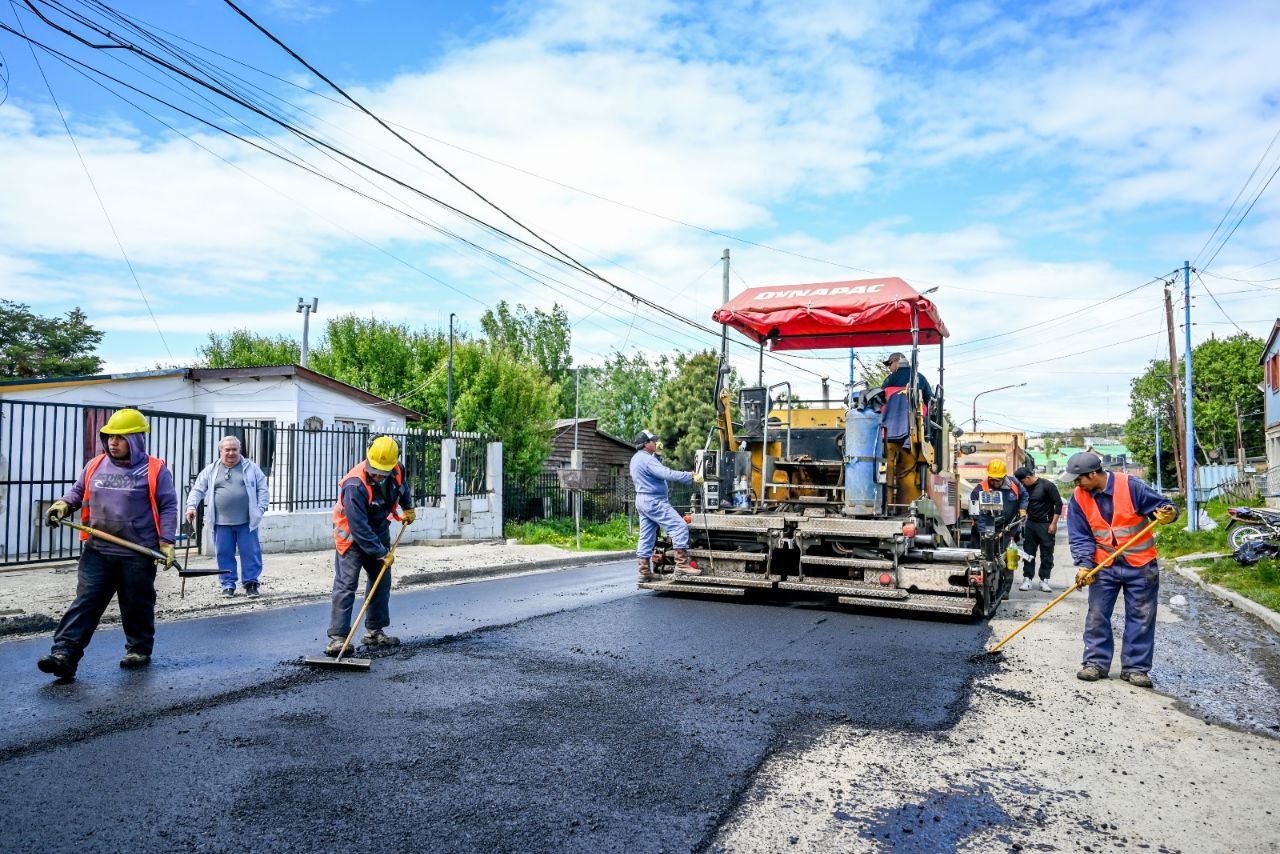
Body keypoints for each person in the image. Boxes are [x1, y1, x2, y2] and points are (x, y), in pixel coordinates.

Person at [38, 409, 178, 681]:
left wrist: (168, 542)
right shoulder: (95, 465)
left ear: (136, 439)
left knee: (136, 602)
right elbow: (78, 492)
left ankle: (138, 649)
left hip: (137, 552)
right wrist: (63, 504)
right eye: (109, 436)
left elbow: (169, 506)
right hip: (98, 550)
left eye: (120, 437)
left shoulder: (155, 470)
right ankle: (64, 655)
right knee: (86, 602)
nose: (113, 442)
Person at [1061, 452, 1178, 688]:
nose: (1076, 483)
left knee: (1141, 616)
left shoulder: (1131, 486)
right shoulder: (1078, 497)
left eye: (1079, 478)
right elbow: (1080, 535)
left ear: (1093, 474)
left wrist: (1169, 514)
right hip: (1104, 565)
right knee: (1097, 615)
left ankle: (1136, 669)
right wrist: (1085, 564)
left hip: (1140, 564)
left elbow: (1166, 507)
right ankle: (1095, 663)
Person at [324, 436, 415, 657]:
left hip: (379, 528)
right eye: (375, 471)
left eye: (382, 472)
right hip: (352, 537)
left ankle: (374, 632)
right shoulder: (354, 484)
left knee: (381, 581)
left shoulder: (396, 469)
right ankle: (338, 639)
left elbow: (401, 488)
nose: (378, 475)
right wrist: (381, 553)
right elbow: (359, 528)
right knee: (346, 584)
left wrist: (408, 507)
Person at [185, 436, 271, 598]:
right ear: (221, 451)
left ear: (240, 450)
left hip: (247, 521)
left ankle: (251, 583)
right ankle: (228, 584)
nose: (231, 453)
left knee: (250, 553)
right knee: (224, 553)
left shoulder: (251, 468)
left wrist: (260, 509)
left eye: (234, 449)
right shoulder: (211, 469)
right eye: (227, 450)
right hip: (221, 523)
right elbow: (197, 489)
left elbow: (263, 489)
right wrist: (191, 506)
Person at [631, 429, 703, 581]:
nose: (656, 442)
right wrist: (689, 476)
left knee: (646, 535)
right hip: (654, 501)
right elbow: (666, 473)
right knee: (679, 526)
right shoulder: (647, 459)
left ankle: (644, 572)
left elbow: (653, 472)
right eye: (653, 441)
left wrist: (657, 455)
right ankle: (682, 566)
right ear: (646, 444)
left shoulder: (637, 458)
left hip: (642, 500)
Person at [1016, 465, 1063, 593]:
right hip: (1031, 524)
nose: (1021, 484)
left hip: (1046, 524)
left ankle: (1044, 580)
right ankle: (1027, 580)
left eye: (1022, 481)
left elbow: (1058, 504)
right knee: (1028, 552)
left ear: (1028, 477)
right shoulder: (1025, 488)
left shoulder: (1047, 485)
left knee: (1047, 553)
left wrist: (1054, 523)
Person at [969, 458, 1027, 533]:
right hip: (985, 528)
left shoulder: (1014, 484)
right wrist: (983, 532)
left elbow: (1024, 496)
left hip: (1009, 528)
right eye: (992, 479)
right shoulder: (979, 490)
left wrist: (1023, 508)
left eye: (998, 480)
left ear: (1004, 476)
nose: (995, 483)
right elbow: (977, 515)